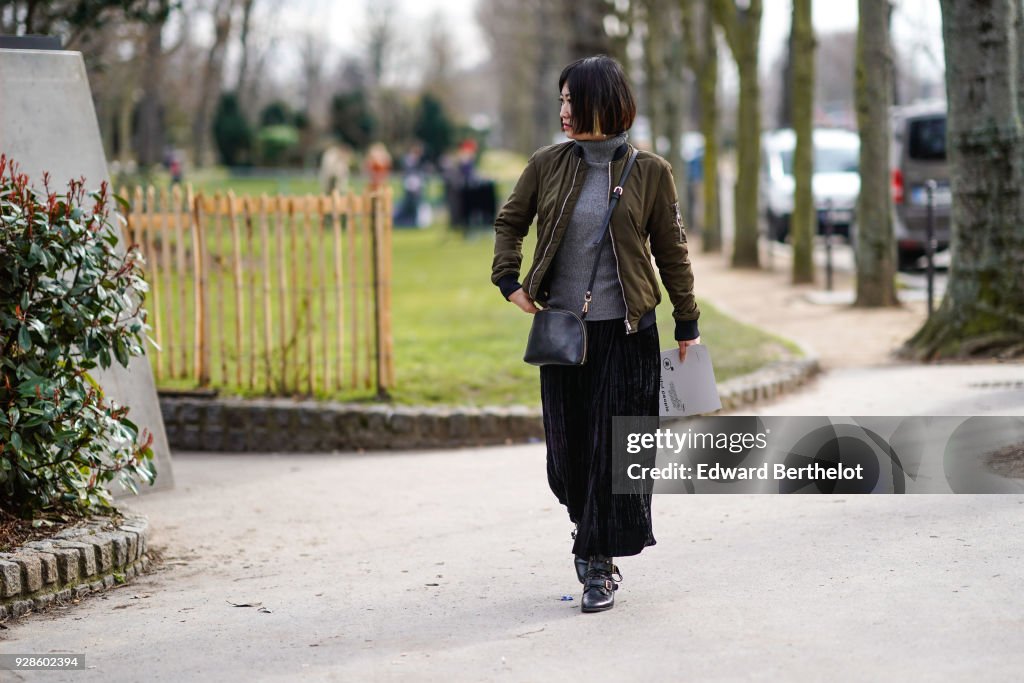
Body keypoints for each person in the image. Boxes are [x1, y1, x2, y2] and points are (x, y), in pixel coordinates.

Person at [490, 55, 701, 613]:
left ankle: (597, 565)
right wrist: (508, 278)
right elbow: (511, 220)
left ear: (602, 103)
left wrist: (687, 321)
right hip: (564, 333)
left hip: (629, 334)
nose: (562, 110)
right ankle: (589, 533)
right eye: (559, 100)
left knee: (616, 454)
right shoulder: (547, 164)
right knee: (567, 459)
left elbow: (672, 251)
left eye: (571, 100)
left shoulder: (650, 171)